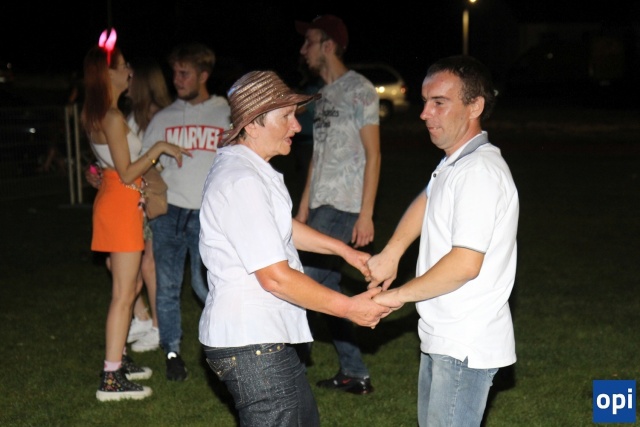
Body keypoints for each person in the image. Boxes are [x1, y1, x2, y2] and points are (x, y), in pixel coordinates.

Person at [198, 70, 391, 427]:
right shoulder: (241, 180)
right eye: (286, 116)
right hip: (252, 345)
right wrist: (349, 308)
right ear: (252, 124)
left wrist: (343, 251)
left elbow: (282, 225)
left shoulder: (249, 170)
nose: (297, 126)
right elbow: (275, 278)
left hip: (260, 342)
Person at [366, 55, 519, 426]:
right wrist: (392, 252)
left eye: (439, 102)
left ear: (474, 106)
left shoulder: (478, 172)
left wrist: (396, 296)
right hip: (444, 333)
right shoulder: (457, 162)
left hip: (464, 341)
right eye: (424, 102)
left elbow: (465, 264)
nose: (424, 113)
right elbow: (429, 196)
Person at [82, 30, 190, 401]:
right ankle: (111, 378)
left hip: (120, 201)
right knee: (124, 293)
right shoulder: (111, 117)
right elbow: (128, 172)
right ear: (108, 74)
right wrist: (157, 148)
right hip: (121, 203)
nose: (129, 71)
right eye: (123, 65)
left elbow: (111, 168)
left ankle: (118, 361)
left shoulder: (99, 114)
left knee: (128, 289)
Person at [293, 14, 381, 394]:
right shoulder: (324, 94)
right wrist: (303, 208)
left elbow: (374, 154)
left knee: (300, 287)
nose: (303, 50)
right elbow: (318, 155)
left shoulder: (360, 90)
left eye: (309, 42)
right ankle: (355, 373)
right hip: (320, 205)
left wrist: (366, 214)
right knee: (328, 290)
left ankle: (288, 372)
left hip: (344, 206)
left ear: (328, 45)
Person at [141, 42, 231, 381]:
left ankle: (227, 343)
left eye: (185, 73)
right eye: (175, 73)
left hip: (207, 215)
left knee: (204, 284)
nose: (177, 79)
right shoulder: (163, 118)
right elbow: (145, 163)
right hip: (169, 213)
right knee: (167, 286)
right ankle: (172, 353)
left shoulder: (225, 113)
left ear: (203, 75)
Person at [123, 58, 174, 353]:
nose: (126, 82)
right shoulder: (133, 116)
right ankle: (142, 317)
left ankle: (157, 327)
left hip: (154, 199)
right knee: (120, 262)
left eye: (131, 78)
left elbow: (164, 162)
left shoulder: (161, 117)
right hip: (133, 197)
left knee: (149, 264)